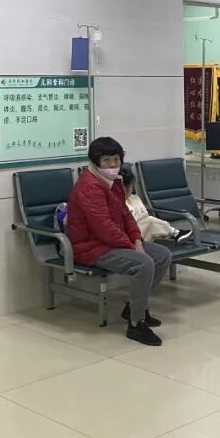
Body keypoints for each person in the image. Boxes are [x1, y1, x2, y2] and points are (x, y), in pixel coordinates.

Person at [66, 137, 171, 346]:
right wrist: (132, 247)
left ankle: (134, 308)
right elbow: (103, 227)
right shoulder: (89, 186)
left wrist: (137, 240)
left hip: (112, 242)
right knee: (144, 263)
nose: (113, 165)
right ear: (95, 162)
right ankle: (136, 324)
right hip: (91, 247)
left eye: (116, 159)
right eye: (107, 160)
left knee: (162, 256)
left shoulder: (113, 183)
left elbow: (125, 215)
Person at [120, 166, 190, 244]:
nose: (132, 189)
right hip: (127, 237)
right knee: (150, 222)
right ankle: (176, 233)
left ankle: (175, 233)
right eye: (131, 187)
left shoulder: (133, 198)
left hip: (138, 232)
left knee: (149, 222)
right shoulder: (117, 203)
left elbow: (143, 214)